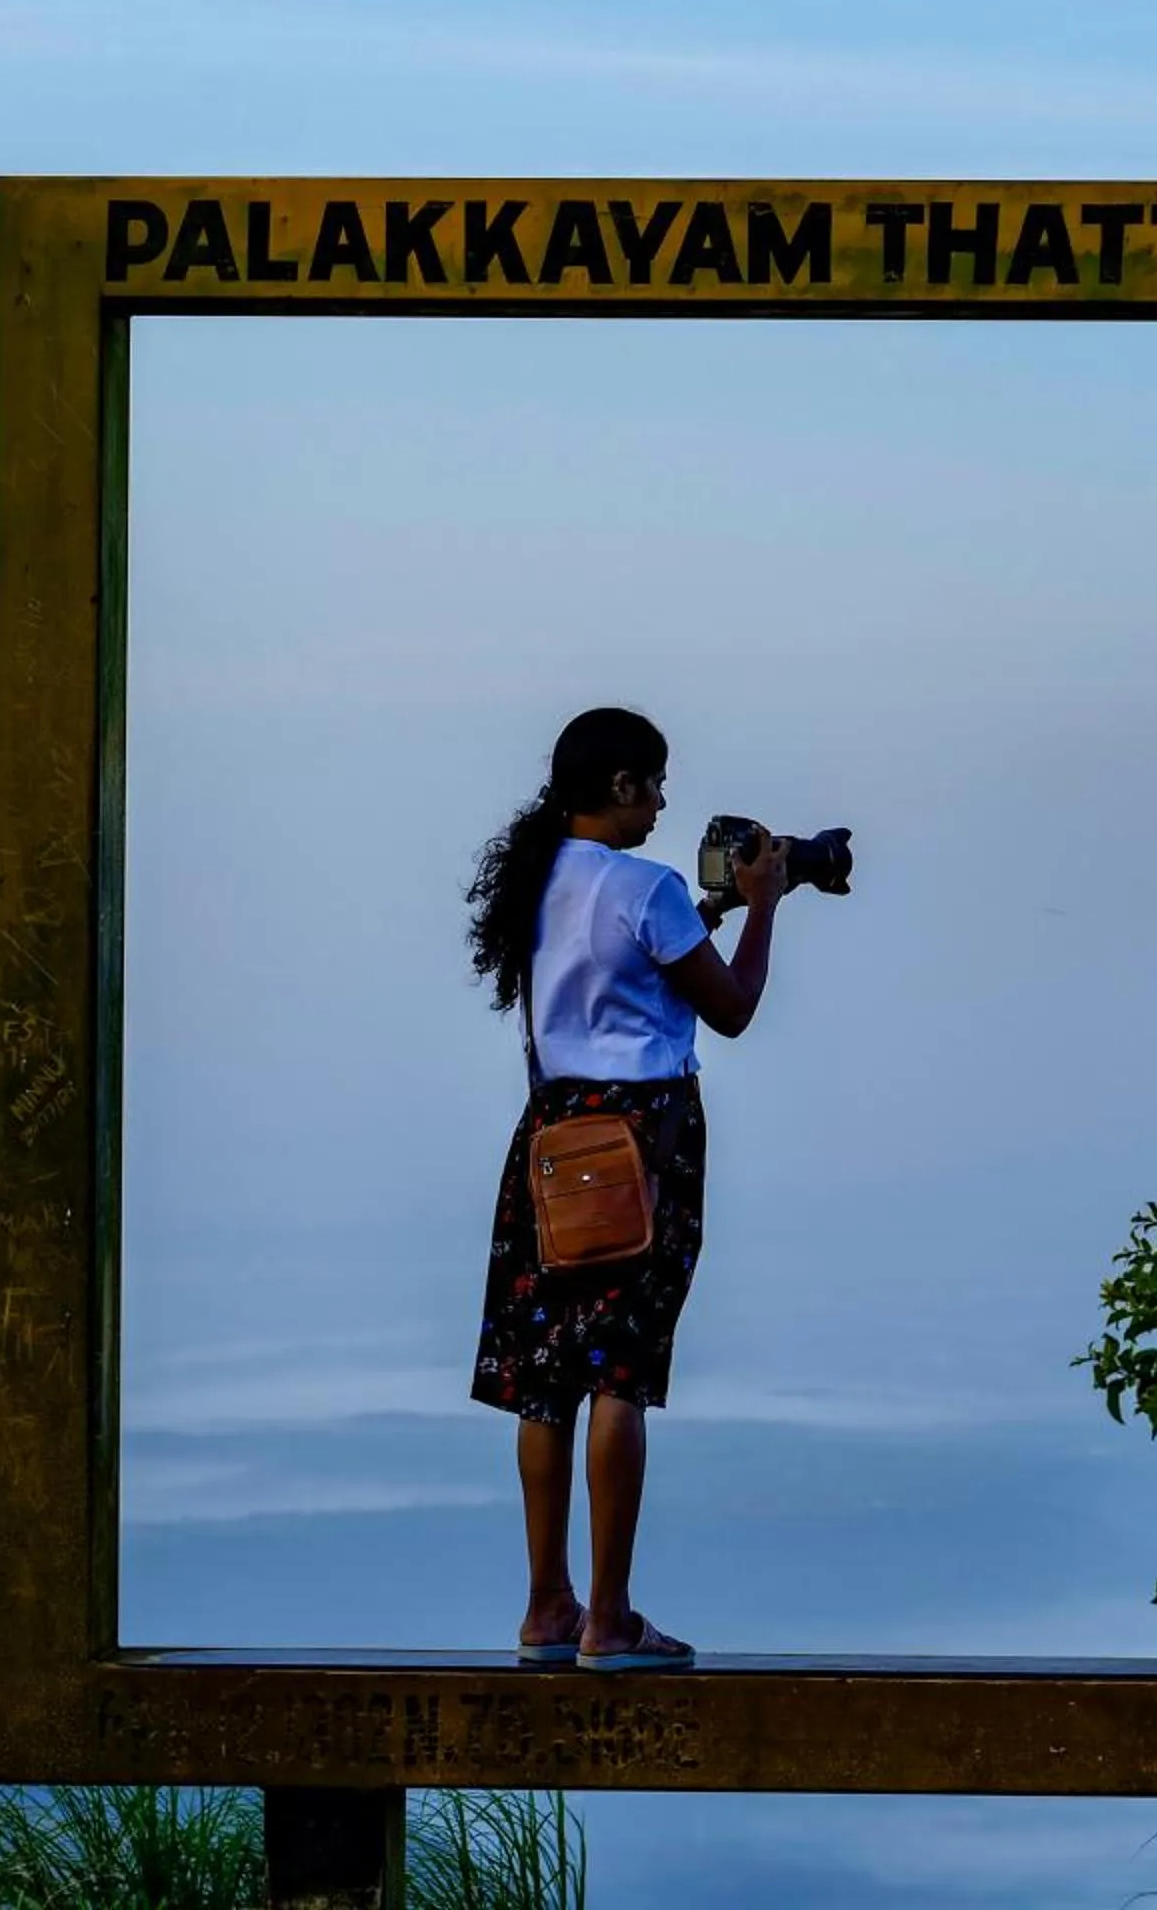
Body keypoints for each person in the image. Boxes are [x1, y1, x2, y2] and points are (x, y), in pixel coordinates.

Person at [463, 707, 786, 1671]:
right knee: (618, 1373)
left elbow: (605, 962)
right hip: (645, 1138)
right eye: (653, 781)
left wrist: (706, 915)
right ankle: (610, 1619)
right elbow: (728, 1010)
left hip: (552, 1137)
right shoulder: (645, 886)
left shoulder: (536, 882)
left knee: (541, 1377)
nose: (662, 799)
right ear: (619, 787)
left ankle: (546, 1607)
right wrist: (763, 903)